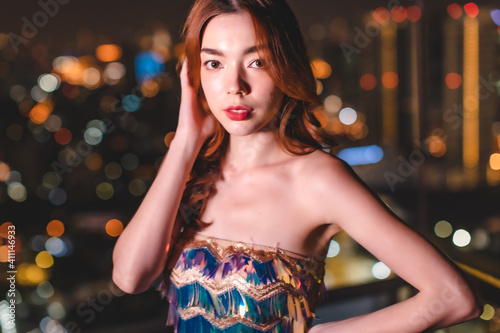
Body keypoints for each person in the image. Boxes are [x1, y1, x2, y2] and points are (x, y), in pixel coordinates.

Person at [112, 0, 482, 332]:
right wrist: (185, 142)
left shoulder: (318, 180)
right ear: (195, 77)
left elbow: (454, 297)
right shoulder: (193, 169)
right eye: (214, 63)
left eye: (257, 62)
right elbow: (130, 276)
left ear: (286, 67)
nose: (234, 85)